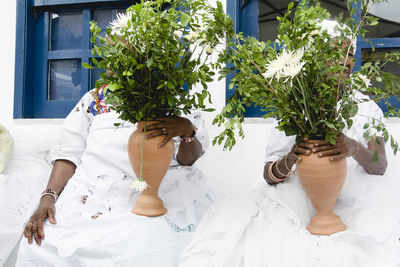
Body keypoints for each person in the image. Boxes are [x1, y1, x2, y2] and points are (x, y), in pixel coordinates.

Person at [179, 23, 400, 267]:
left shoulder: (365, 107)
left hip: (356, 196)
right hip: (300, 193)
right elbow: (268, 175)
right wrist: (293, 157)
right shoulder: (294, 106)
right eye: (336, 53)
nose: (346, 61)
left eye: (349, 54)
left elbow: (380, 165)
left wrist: (352, 147)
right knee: (263, 237)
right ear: (316, 58)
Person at [16, 85, 214, 266]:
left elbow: (188, 160)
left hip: (160, 188)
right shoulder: (95, 99)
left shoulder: (174, 98)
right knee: (41, 242)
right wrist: (48, 197)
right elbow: (68, 154)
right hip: (94, 189)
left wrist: (187, 130)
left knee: (151, 244)